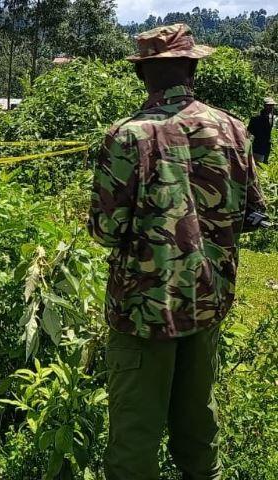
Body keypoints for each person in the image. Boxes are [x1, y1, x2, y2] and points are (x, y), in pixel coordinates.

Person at [89, 24, 267, 479]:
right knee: (198, 429)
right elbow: (251, 216)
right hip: (206, 303)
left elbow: (107, 231)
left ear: (143, 75)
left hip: (143, 311)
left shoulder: (127, 136)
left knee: (135, 436)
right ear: (192, 68)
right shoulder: (232, 129)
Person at [248, 97, 276, 163]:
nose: (271, 107)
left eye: (272, 105)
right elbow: (249, 132)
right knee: (258, 167)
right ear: (264, 106)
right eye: (269, 105)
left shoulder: (271, 117)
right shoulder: (256, 118)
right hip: (258, 148)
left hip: (266, 148)